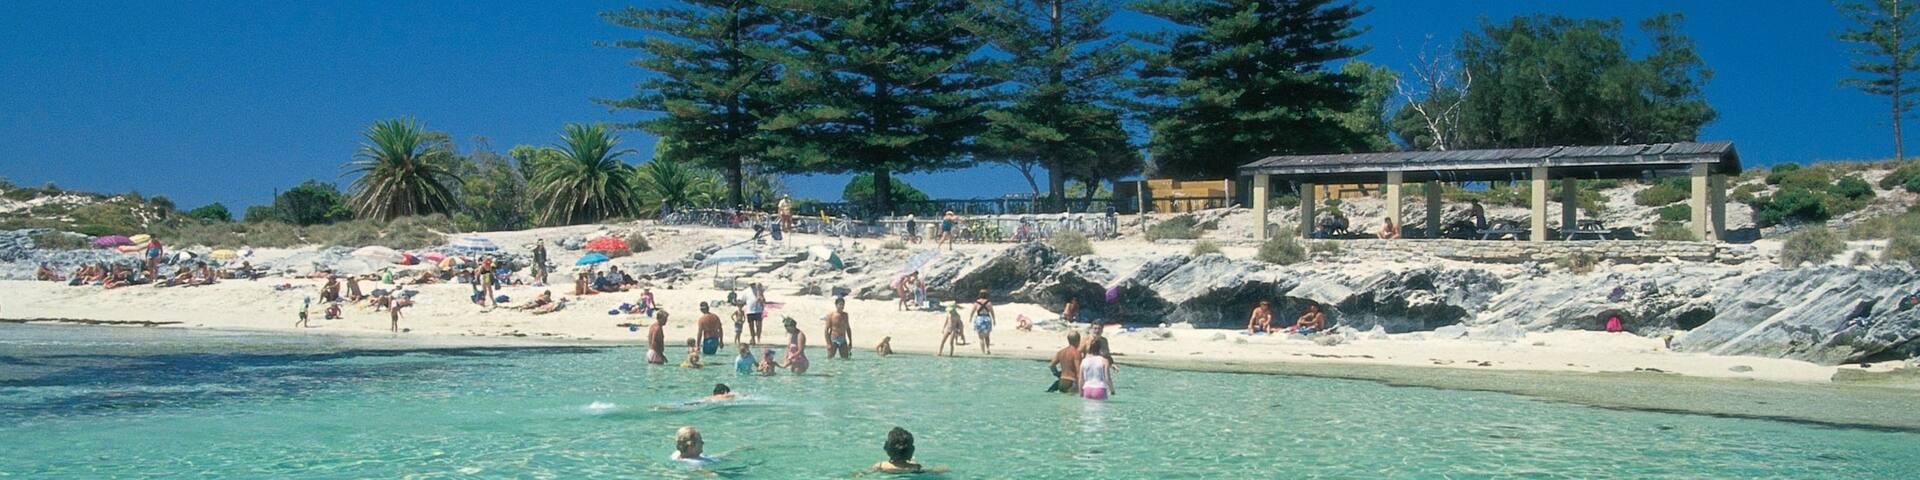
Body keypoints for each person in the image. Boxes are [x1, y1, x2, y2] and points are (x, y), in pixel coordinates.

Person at [970, 290, 996, 355]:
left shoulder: (976, 302)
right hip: (987, 318)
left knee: (981, 337)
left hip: (979, 319)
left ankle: (983, 352)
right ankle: (988, 349)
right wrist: (994, 319)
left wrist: (970, 318)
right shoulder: (989, 302)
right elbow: (992, 312)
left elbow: (972, 311)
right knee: (987, 336)